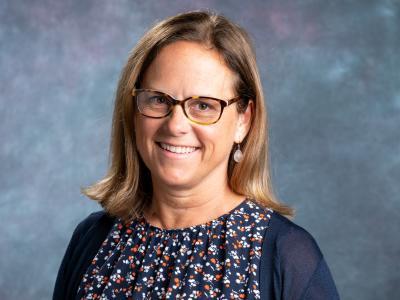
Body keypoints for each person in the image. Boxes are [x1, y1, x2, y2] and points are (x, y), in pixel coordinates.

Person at [53, 10, 340, 300]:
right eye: (158, 99)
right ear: (134, 109)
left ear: (244, 121)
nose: (176, 125)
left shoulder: (286, 255)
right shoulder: (93, 239)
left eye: (203, 105)